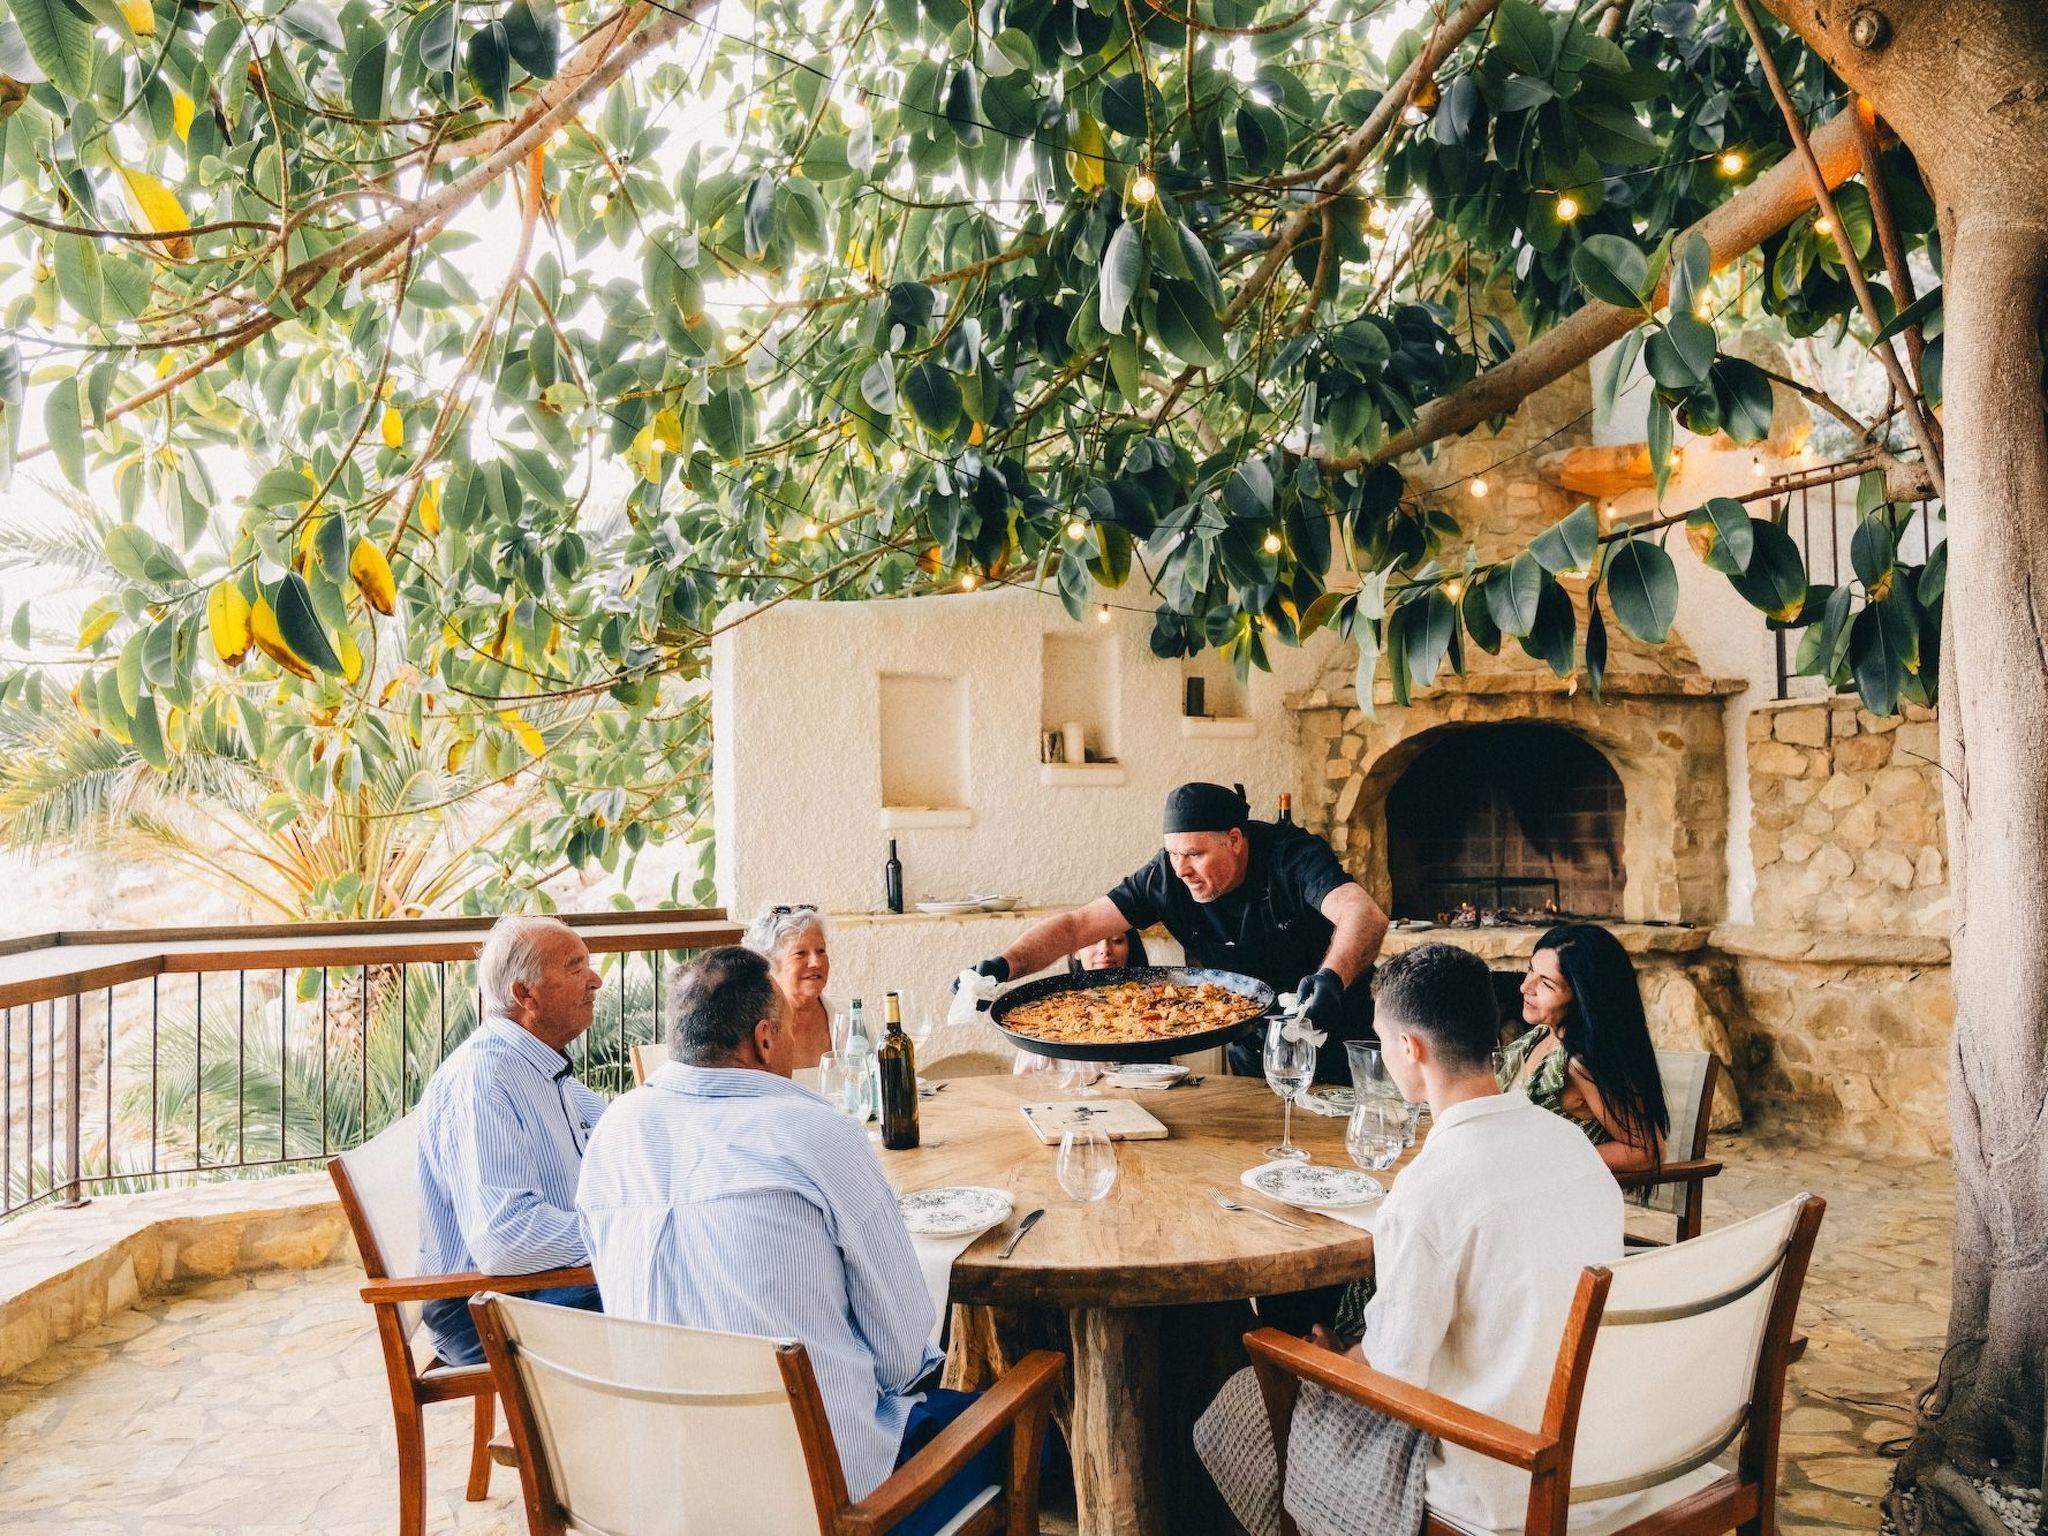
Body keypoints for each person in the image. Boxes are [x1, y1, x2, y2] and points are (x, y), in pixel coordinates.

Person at [1194, 943, 1625, 1536]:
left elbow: (1392, 1376)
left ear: (1409, 1047)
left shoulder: (1427, 1191)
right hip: (1602, 1446)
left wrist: (1333, 1360)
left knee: (1237, 1407)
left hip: (1502, 1469)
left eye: (1381, 1037)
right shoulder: (1570, 1142)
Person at [578, 946, 1004, 1536]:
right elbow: (904, 1356)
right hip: (831, 1501)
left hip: (669, 1491)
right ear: (764, 1040)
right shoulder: (814, 1131)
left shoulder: (614, 1133)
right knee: (1026, 1430)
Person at [970, 782, 1388, 1081]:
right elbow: (1077, 925)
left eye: (1193, 854)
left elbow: (1364, 914)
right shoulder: (1166, 876)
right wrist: (1004, 965)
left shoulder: (1291, 856)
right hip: (1255, 1043)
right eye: (1172, 854)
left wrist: (1332, 978)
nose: (1181, 869)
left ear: (1235, 840)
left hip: (1337, 1029)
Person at [415, 915, 607, 1367]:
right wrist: (624, 1234)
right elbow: (505, 1236)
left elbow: (620, 1139)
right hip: (483, 1306)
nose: (595, 980)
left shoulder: (543, 1067)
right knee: (675, 1299)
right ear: (525, 994)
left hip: (540, 1281)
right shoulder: (485, 1079)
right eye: (576, 967)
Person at [1498, 923, 1669, 1174]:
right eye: (1530, 970)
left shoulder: (1581, 1062)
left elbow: (1647, 1151)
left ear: (1582, 996)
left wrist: (1546, 1161)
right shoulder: (1542, 1035)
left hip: (1556, 1191)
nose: (1525, 987)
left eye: (1546, 984)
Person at [1013, 927, 1154, 1080]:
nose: (1105, 950)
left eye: (1117, 941)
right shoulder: (1045, 1013)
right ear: (1076, 950)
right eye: (1093, 940)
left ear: (1130, 948)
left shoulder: (1156, 1003)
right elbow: (1024, 1083)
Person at [742, 902, 835, 1068]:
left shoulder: (850, 1019)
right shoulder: (750, 1032)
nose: (816, 962)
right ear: (770, 965)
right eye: (800, 953)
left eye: (821, 951)